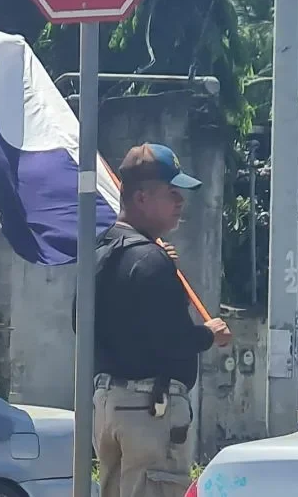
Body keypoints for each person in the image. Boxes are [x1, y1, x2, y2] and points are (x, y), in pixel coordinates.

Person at [78, 143, 232, 497]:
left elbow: (80, 322)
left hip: (109, 403)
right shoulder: (150, 260)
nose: (180, 201)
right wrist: (208, 334)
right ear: (142, 197)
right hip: (150, 409)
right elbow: (171, 340)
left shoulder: (102, 250)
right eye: (171, 193)